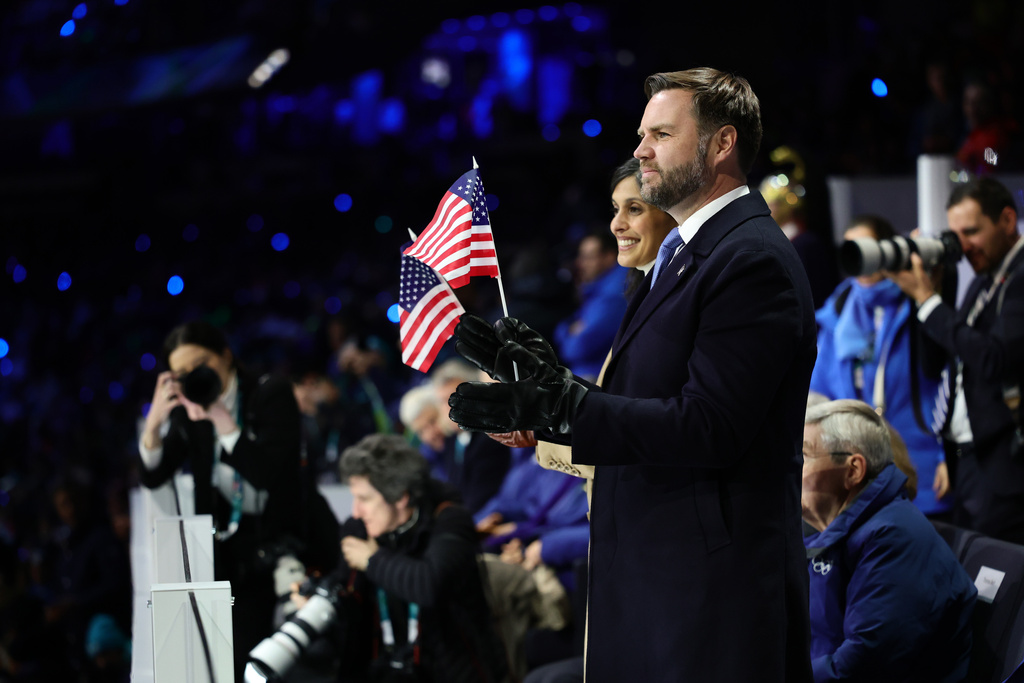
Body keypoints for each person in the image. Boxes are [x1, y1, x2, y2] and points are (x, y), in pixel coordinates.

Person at [449, 68, 816, 682]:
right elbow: (646, 405)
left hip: (704, 601)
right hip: (656, 580)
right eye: (642, 133)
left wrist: (563, 405)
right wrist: (551, 404)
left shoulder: (750, 259)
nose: (641, 149)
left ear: (722, 144)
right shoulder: (682, 257)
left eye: (662, 133)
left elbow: (710, 425)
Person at [137, 321, 340, 679]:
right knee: (233, 662)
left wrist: (224, 424)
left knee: (291, 663)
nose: (193, 376)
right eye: (181, 372)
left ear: (226, 356)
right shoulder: (188, 411)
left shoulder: (270, 392)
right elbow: (155, 474)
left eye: (200, 362)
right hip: (232, 554)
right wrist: (153, 424)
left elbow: (269, 476)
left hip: (288, 543)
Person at [292, 434, 508, 683]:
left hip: (453, 670)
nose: (355, 511)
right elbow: (349, 596)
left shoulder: (449, 519)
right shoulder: (361, 528)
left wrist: (373, 560)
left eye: (364, 499)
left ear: (401, 497)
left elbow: (430, 585)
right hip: (383, 668)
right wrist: (318, 595)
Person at [889, 177, 1024, 543]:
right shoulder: (985, 280)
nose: (963, 246)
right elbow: (940, 364)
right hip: (968, 461)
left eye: (972, 232)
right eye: (955, 234)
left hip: (1005, 468)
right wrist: (933, 291)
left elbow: (995, 359)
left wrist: (929, 303)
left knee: (1003, 583)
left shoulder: (1019, 277)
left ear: (1008, 221)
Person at [802, 399, 976, 682]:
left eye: (804, 455)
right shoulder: (838, 531)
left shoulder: (892, 537)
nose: (791, 468)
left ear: (853, 470)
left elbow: (861, 665)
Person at [811, 215, 951, 517]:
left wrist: (949, 457)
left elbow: (949, 382)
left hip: (922, 465)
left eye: (866, 247)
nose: (860, 257)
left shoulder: (920, 303)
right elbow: (819, 393)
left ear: (888, 249)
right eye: (851, 248)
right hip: (860, 470)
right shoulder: (838, 311)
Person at [552, 231, 627, 381]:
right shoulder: (598, 288)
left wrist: (570, 332)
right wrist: (568, 329)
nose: (580, 263)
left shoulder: (614, 294)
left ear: (609, 257)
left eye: (588, 257)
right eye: (581, 256)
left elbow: (576, 348)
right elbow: (565, 327)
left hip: (599, 379)